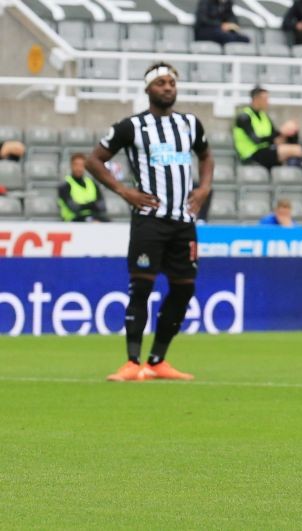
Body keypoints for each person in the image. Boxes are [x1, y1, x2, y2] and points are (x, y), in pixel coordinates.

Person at [86, 62, 214, 382]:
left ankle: (157, 361)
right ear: (148, 90)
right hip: (149, 220)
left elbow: (206, 156)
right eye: (161, 83)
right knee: (142, 286)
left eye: (172, 82)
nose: (168, 87)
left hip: (183, 221)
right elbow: (94, 160)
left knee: (184, 289)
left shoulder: (189, 124)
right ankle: (132, 361)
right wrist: (123, 191)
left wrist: (204, 188)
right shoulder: (132, 127)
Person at [233, 86, 302, 170]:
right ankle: (295, 168)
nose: (268, 102)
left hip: (265, 151)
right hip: (251, 154)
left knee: (294, 146)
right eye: (265, 99)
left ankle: (294, 169)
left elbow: (273, 136)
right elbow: (256, 140)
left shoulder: (264, 116)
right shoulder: (244, 117)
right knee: (296, 150)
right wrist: (281, 131)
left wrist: (289, 132)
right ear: (256, 99)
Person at [57, 153, 110, 222]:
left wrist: (84, 206)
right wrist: (92, 205)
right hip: (73, 221)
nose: (79, 168)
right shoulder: (65, 186)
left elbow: (102, 207)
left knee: (109, 223)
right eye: (76, 165)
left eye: (81, 165)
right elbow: (74, 208)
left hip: (93, 217)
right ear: (71, 166)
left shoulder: (92, 184)